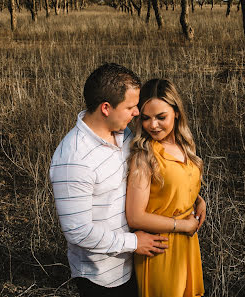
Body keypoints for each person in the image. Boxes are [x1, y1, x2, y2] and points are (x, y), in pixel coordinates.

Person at [49, 63, 170, 297]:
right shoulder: (74, 159)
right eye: (130, 107)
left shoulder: (122, 132)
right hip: (103, 277)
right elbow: (78, 231)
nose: (137, 113)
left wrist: (190, 196)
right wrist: (134, 242)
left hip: (135, 260)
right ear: (106, 108)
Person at [126, 79, 206, 297]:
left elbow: (176, 183)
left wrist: (198, 200)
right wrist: (182, 226)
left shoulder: (185, 145)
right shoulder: (145, 156)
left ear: (177, 113)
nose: (153, 125)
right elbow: (135, 217)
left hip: (187, 244)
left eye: (161, 117)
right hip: (161, 247)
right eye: (146, 118)